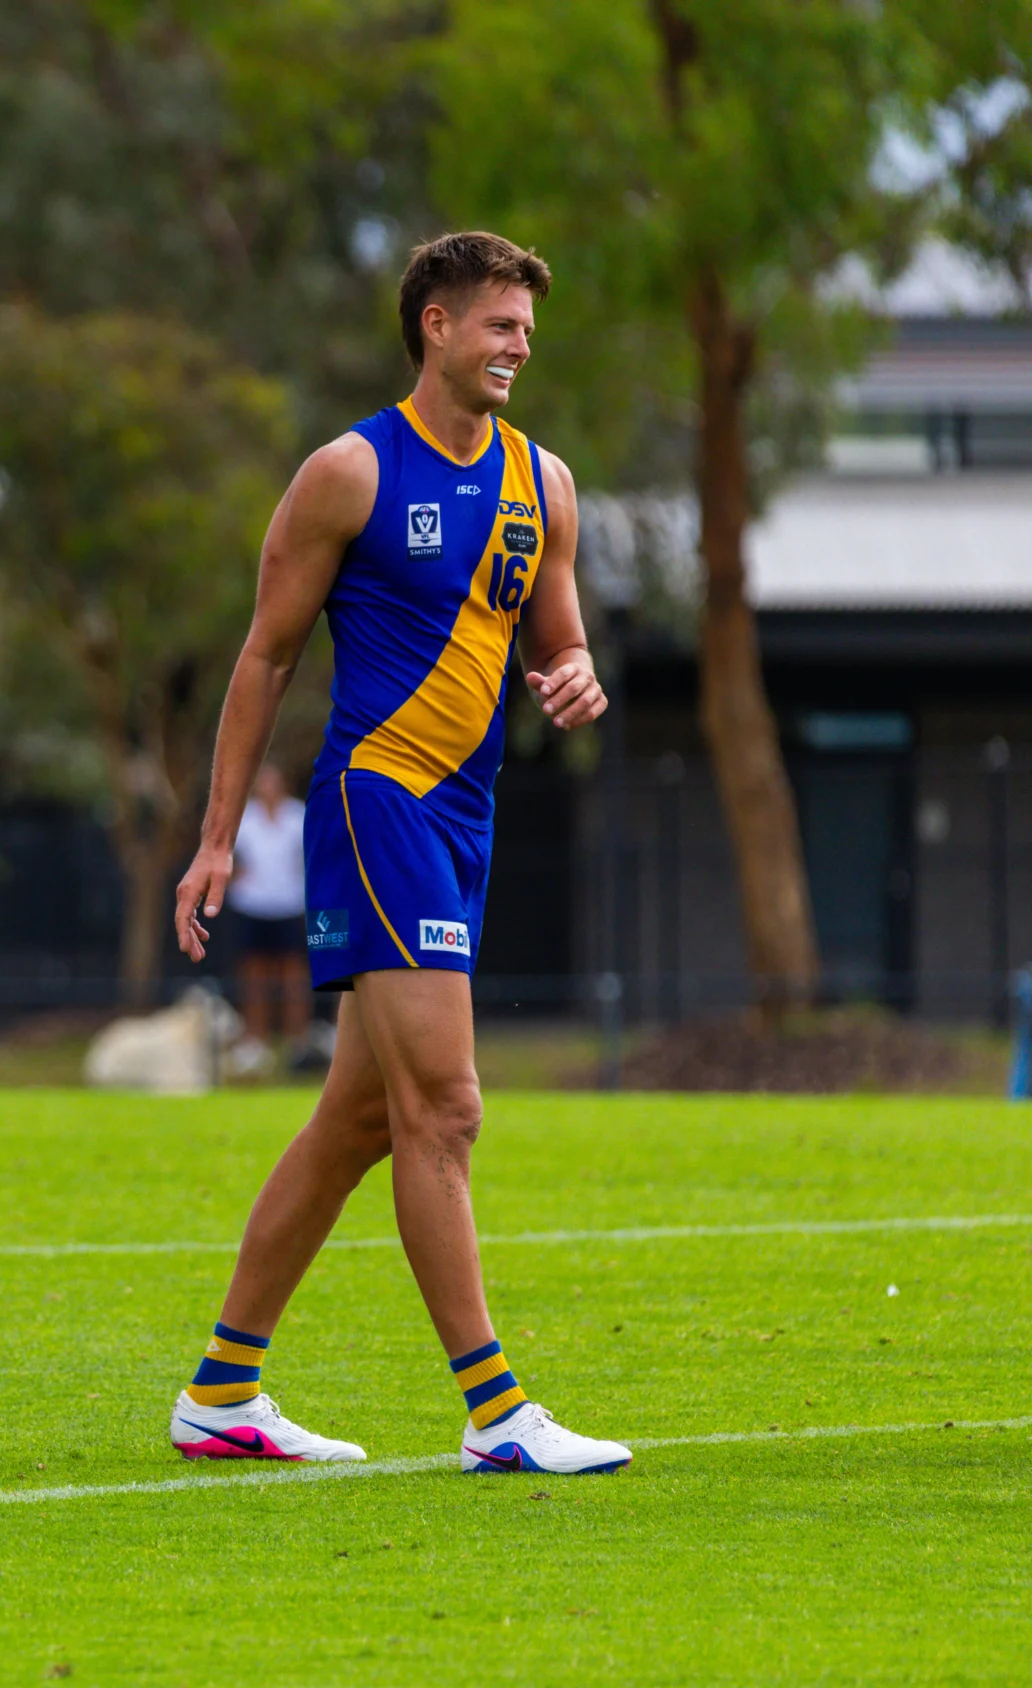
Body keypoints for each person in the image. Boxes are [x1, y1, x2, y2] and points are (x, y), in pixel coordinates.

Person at [167, 232, 630, 1476]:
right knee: (447, 1107)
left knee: (358, 1119)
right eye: (498, 325)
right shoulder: (348, 473)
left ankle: (221, 1391)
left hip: (465, 818)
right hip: (378, 806)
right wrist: (216, 840)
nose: (518, 347)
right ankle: (497, 1413)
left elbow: (557, 642)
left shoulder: (545, 483)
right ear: (435, 325)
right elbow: (264, 657)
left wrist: (574, 676)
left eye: (525, 329)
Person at [226, 763, 311, 1068]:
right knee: (255, 976)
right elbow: (231, 858)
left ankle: (296, 1041)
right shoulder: (245, 818)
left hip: (290, 905)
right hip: (252, 906)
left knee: (293, 975)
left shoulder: (298, 816)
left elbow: (310, 857)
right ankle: (256, 1040)